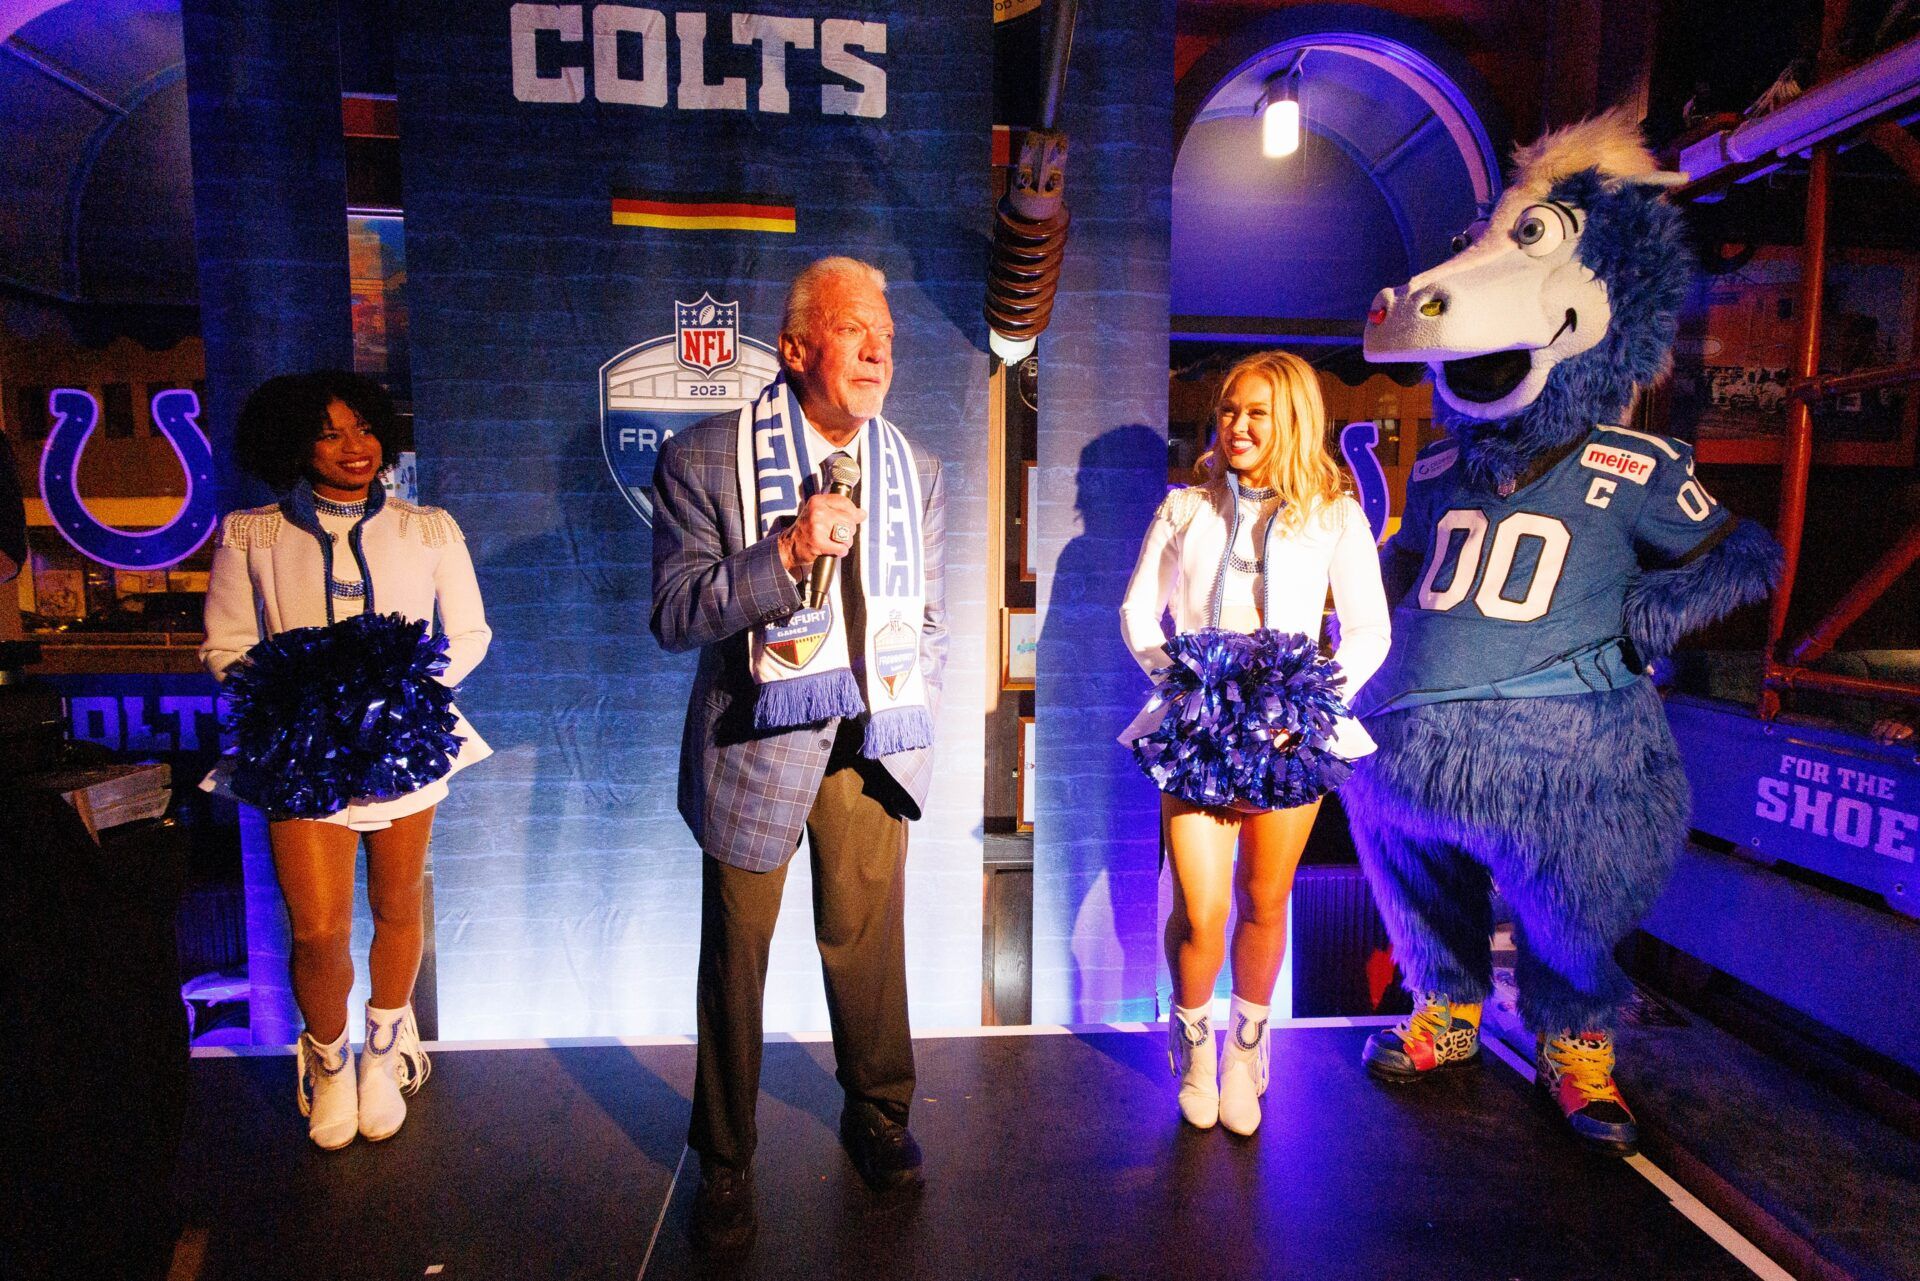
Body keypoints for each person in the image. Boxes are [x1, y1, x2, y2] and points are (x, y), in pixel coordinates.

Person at [650, 256, 947, 1251]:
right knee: (735, 960)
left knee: (869, 950)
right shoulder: (702, 460)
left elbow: (927, 614)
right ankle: (726, 1162)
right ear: (793, 347)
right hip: (754, 744)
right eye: (856, 327)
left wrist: (915, 709)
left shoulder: (916, 468)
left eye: (890, 336)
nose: (878, 348)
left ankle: (878, 1115)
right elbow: (676, 613)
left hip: (871, 745)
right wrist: (783, 553)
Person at [200, 370, 491, 1149]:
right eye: (329, 433)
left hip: (405, 743)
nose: (353, 447)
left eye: (362, 428)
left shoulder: (429, 527)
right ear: (294, 443)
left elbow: (469, 634)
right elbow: (226, 643)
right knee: (319, 929)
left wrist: (397, 694)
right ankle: (327, 1059)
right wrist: (301, 703)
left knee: (400, 907)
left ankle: (387, 1050)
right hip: (300, 752)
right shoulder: (250, 532)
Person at [1119, 349, 1389, 1136]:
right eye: (1230, 409)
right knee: (1201, 912)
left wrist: (1314, 700)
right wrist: (1182, 684)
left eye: (1257, 412)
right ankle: (1194, 1043)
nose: (1237, 425)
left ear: (1294, 421)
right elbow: (1141, 613)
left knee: (1265, 901)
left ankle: (1246, 1050)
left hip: (1289, 733)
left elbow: (1368, 628)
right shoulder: (1183, 507)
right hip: (1197, 734)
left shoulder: (1335, 512)